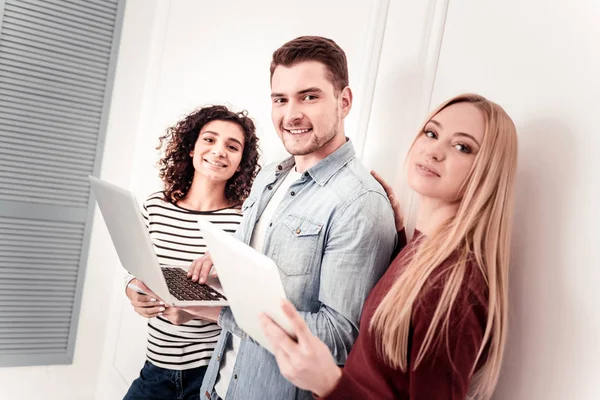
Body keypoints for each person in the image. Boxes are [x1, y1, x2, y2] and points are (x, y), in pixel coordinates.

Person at [261, 93, 518, 400]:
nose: (434, 151)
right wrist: (398, 239)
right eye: (432, 133)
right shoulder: (424, 251)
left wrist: (330, 384)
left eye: (462, 147)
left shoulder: (456, 286)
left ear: (489, 172)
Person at [184, 36, 397, 400]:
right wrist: (214, 268)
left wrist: (213, 311)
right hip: (216, 388)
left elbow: (338, 337)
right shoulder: (270, 175)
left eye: (309, 97)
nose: (291, 114)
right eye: (280, 99)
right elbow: (250, 264)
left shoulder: (360, 203)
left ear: (344, 101)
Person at [122, 105, 260, 400]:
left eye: (232, 146)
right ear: (191, 148)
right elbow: (135, 270)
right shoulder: (156, 206)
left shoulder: (243, 222)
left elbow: (250, 309)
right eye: (209, 140)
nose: (219, 151)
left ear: (241, 163)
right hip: (154, 368)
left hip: (210, 376)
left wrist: (194, 311)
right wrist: (133, 289)